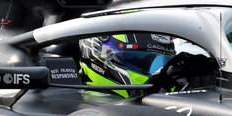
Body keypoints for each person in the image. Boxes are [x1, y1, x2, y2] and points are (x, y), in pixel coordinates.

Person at [77, 31, 214, 92]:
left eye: (160, 60)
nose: (157, 71)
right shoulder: (83, 108)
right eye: (137, 59)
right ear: (103, 56)